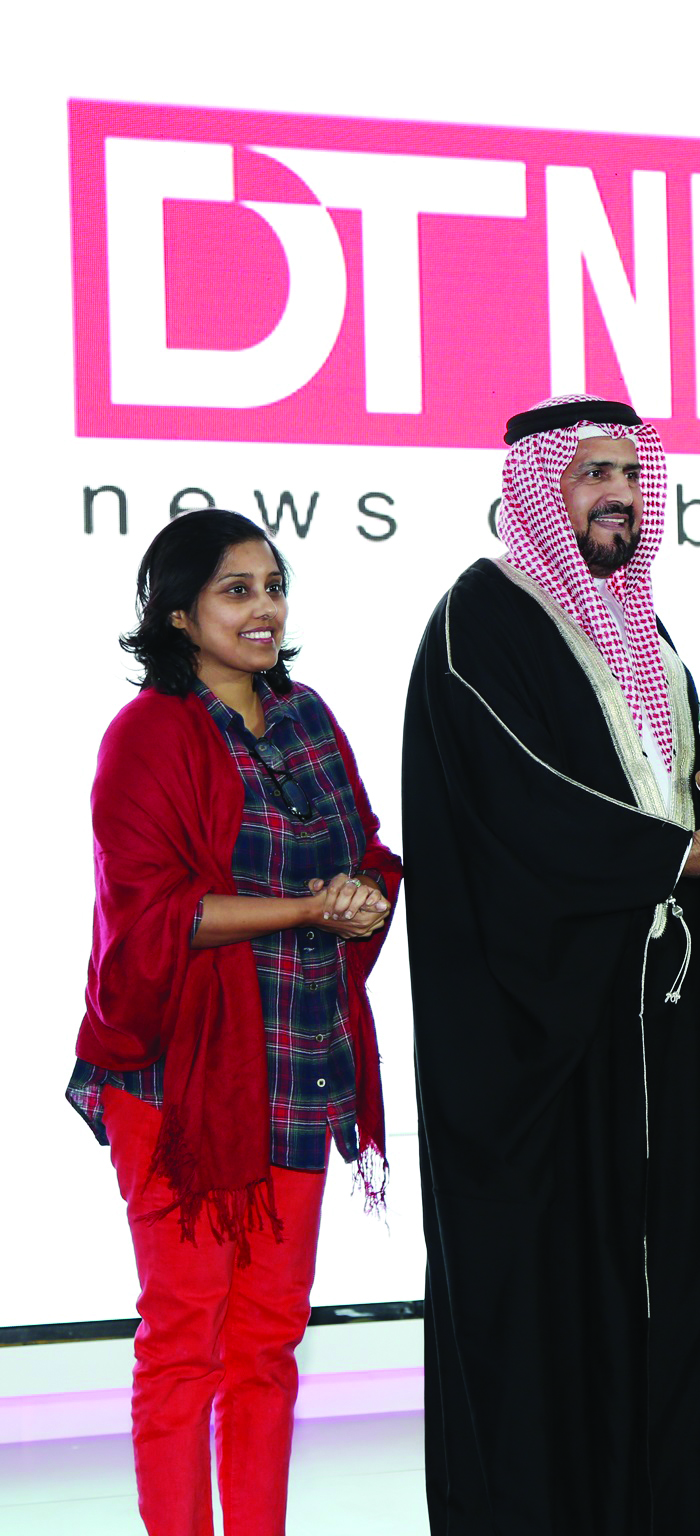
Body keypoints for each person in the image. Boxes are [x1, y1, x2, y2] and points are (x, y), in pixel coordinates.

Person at [402, 395, 700, 1535]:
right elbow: (519, 806)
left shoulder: (641, 631)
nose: (618, 493)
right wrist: (677, 850)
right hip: (545, 1052)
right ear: (537, 492)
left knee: (684, 1291)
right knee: (560, 1313)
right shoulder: (481, 622)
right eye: (591, 475)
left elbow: (641, 785)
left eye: (630, 473)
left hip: (657, 1034)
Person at [68, 508, 399, 1536]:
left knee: (268, 1342)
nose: (265, 610)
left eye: (273, 587)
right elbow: (152, 913)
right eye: (237, 590)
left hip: (300, 1065)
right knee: (186, 1342)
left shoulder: (306, 716)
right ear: (179, 614)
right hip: (181, 1078)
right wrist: (307, 909)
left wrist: (366, 893)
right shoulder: (148, 735)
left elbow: (366, 847)